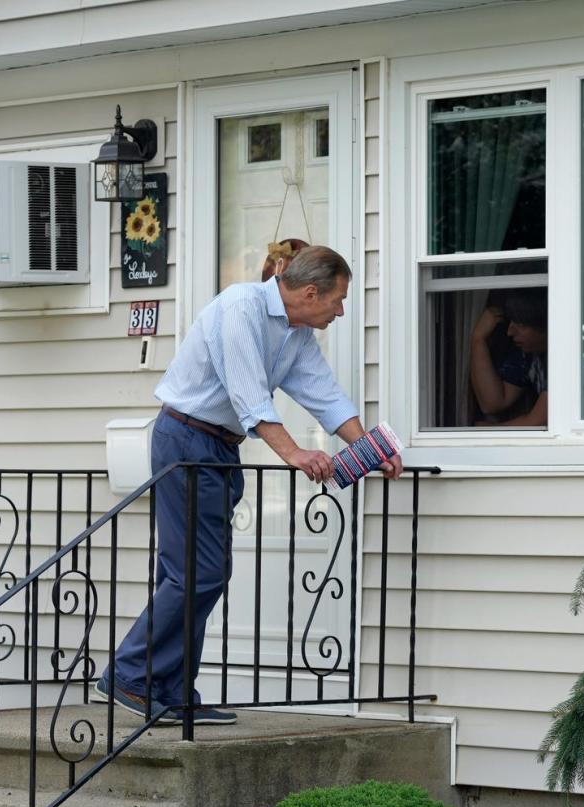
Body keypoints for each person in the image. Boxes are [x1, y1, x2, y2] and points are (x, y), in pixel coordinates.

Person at [94, 245, 402, 725]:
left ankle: (174, 690)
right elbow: (248, 395)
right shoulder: (240, 306)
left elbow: (325, 395)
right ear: (310, 291)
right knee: (195, 572)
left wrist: (371, 449)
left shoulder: (296, 334)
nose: (341, 311)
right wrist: (295, 453)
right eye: (338, 300)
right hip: (185, 440)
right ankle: (129, 674)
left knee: (199, 573)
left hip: (219, 448)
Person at [469, 288, 548, 427]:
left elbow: (538, 420)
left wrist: (490, 432)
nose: (510, 332)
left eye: (521, 325)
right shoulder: (529, 354)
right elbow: (493, 403)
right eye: (511, 322)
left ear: (544, 325)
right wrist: (478, 339)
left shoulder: (566, 357)